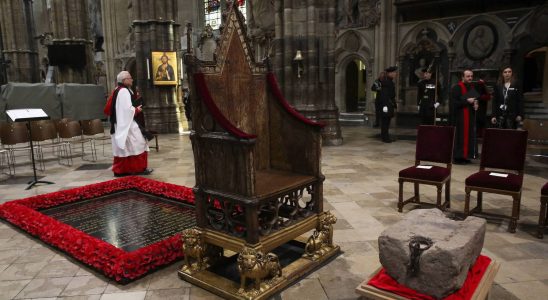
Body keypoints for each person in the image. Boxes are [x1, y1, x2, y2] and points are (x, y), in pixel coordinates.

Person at [109, 71, 153, 177]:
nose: (132, 80)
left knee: (130, 146)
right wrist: (137, 109)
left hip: (123, 122)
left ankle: (126, 169)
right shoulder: (123, 91)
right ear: (124, 80)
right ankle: (136, 169)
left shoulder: (119, 89)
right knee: (139, 143)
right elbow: (126, 110)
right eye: (130, 78)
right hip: (126, 124)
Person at [451, 69, 479, 164]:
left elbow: (474, 100)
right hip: (460, 117)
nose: (470, 78)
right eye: (468, 76)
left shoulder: (471, 87)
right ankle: (458, 158)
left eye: (471, 76)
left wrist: (475, 104)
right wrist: (467, 101)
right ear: (462, 77)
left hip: (469, 116)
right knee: (460, 137)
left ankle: (466, 156)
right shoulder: (457, 88)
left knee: (469, 136)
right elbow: (454, 103)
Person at [378, 66, 397, 143]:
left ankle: (385, 137)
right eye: (394, 73)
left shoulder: (389, 81)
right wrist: (385, 106)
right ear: (390, 73)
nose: (395, 74)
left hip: (389, 104)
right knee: (385, 122)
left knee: (387, 121)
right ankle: (385, 138)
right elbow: (384, 95)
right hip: (387, 104)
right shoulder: (386, 82)